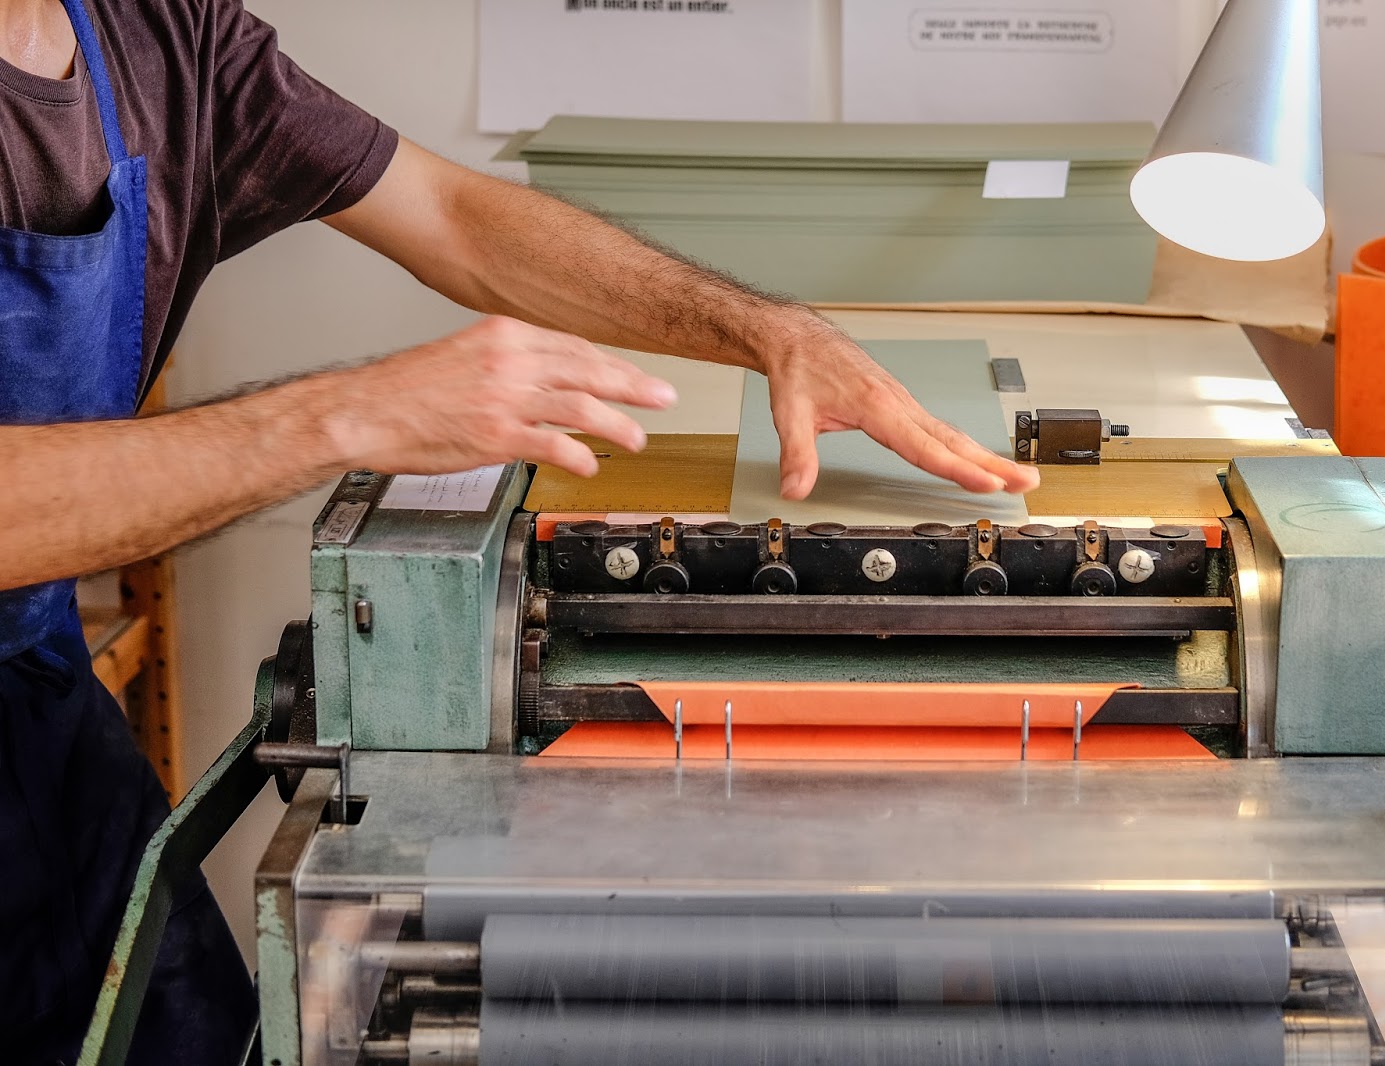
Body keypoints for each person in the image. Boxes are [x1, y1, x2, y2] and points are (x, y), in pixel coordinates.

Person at [0, 0, 1038, 1061]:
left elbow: (450, 215)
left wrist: (766, 330)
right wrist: (350, 414)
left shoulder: (163, 39)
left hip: (39, 709)